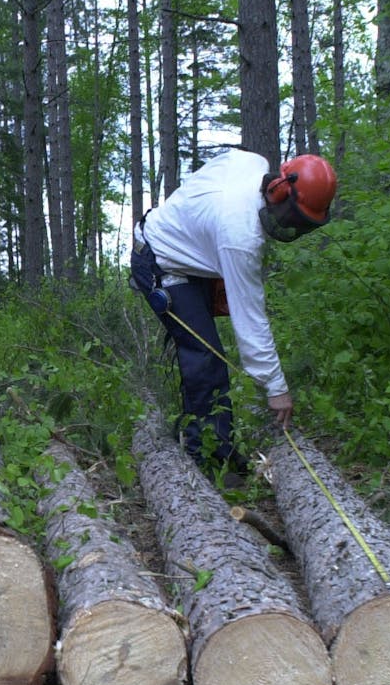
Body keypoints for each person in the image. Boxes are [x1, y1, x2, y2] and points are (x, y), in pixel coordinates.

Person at [130, 148, 337, 482]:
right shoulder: (239, 236)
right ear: (278, 191)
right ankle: (206, 459)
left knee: (208, 353)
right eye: (291, 216)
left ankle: (219, 445)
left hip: (191, 256)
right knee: (206, 355)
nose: (291, 226)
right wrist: (276, 388)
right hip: (160, 262)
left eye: (301, 223)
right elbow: (250, 321)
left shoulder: (251, 162)